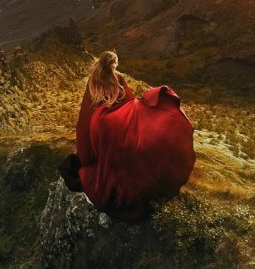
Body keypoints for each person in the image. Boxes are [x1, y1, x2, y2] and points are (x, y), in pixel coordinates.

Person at [58, 50, 196, 223]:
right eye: (116, 63)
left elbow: (86, 113)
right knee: (130, 134)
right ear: (112, 64)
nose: (117, 66)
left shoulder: (93, 79)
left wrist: (86, 151)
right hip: (112, 118)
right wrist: (142, 106)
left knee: (107, 150)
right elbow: (129, 99)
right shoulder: (117, 77)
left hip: (98, 121)